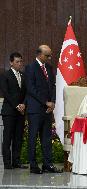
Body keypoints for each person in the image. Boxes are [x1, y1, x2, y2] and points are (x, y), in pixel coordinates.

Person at [25, 45, 60, 174]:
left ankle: (48, 164)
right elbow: (30, 88)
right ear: (39, 54)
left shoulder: (49, 68)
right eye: (47, 55)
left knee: (46, 138)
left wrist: (53, 102)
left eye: (50, 55)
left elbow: (53, 86)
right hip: (35, 109)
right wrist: (46, 102)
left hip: (47, 110)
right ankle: (33, 165)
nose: (50, 57)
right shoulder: (30, 68)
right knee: (33, 137)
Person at [0, 52, 28, 169]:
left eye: (21, 61)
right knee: (8, 137)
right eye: (17, 62)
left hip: (21, 112)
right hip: (9, 111)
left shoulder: (23, 75)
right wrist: (17, 105)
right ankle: (7, 163)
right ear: (11, 62)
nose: (19, 64)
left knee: (18, 137)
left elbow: (27, 92)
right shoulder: (5, 75)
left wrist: (24, 105)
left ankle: (16, 161)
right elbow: (6, 93)